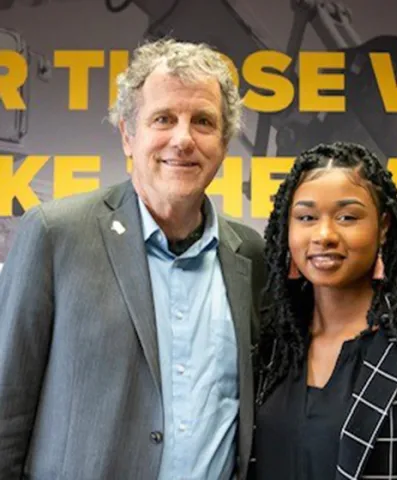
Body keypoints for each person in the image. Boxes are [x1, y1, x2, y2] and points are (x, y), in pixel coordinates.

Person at [0, 39, 265, 480]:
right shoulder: (55, 234)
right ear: (128, 133)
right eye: (163, 118)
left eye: (202, 121)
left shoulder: (250, 256)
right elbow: (5, 408)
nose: (182, 139)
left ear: (223, 141)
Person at [252, 142, 397, 479]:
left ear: (383, 226)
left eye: (347, 217)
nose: (325, 234)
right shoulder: (269, 348)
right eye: (307, 218)